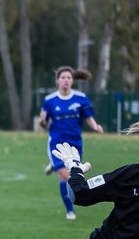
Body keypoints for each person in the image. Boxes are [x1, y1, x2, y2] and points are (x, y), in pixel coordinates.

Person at [39, 66, 103, 219]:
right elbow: (43, 120)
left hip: (75, 143)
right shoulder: (49, 100)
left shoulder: (81, 98)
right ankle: (70, 211)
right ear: (57, 81)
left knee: (71, 174)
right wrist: (42, 122)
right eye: (63, 78)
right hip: (56, 142)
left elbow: (88, 117)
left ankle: (53, 166)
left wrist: (95, 126)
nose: (65, 80)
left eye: (68, 78)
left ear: (73, 80)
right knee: (65, 175)